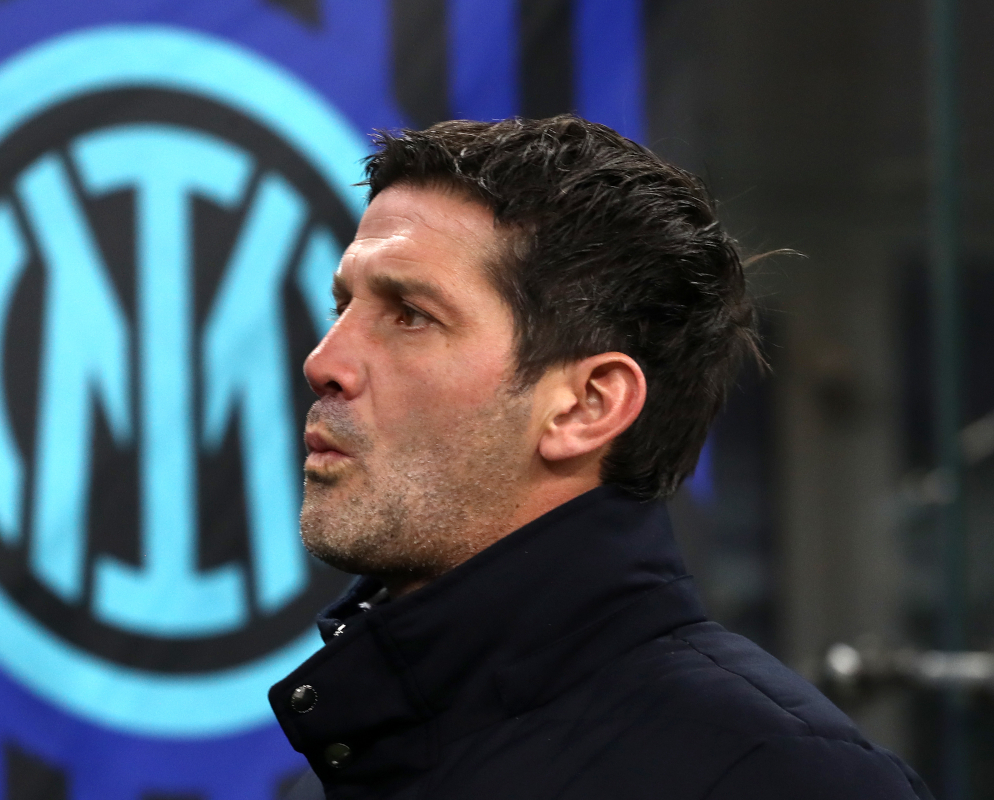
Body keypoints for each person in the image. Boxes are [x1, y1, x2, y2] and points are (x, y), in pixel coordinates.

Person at [269, 115, 931, 800]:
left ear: (587, 406)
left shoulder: (783, 779)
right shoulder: (338, 774)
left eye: (410, 314)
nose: (324, 361)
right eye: (342, 305)